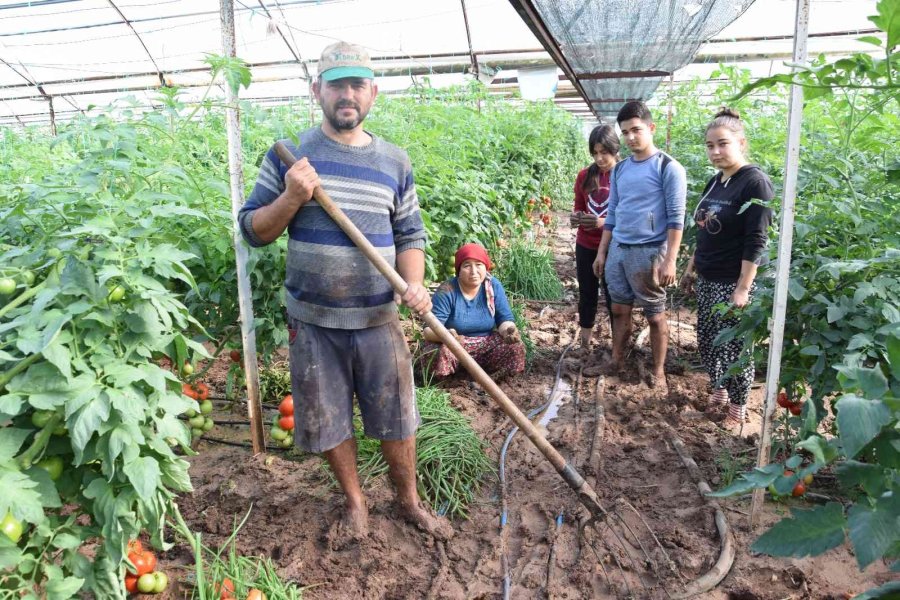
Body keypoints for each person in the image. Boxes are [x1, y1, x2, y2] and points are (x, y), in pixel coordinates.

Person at [238, 41, 452, 543]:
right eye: (337, 84)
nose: (347, 95)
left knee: (396, 417)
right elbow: (253, 229)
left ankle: (408, 502)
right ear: (318, 91)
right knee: (329, 418)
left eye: (357, 84)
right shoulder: (292, 156)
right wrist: (292, 196)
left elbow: (410, 235)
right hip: (313, 321)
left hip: (379, 317)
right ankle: (356, 504)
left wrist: (414, 283)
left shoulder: (394, 162)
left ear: (373, 92)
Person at [679, 108, 775, 425]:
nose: (716, 151)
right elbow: (704, 228)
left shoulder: (754, 183)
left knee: (735, 349)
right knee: (708, 344)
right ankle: (719, 393)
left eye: (723, 144)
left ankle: (737, 409)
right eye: (710, 145)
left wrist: (743, 289)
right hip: (708, 276)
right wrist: (691, 267)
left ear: (741, 142)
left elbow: (756, 241)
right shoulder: (716, 181)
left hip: (732, 281)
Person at [592, 101, 687, 391]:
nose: (631, 137)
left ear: (651, 128)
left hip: (649, 252)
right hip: (620, 249)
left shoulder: (668, 168)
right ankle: (616, 360)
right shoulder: (620, 170)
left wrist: (670, 259)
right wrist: (602, 252)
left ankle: (658, 371)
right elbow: (614, 213)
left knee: (655, 314)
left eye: (636, 130)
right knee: (618, 309)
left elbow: (676, 218)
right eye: (625, 132)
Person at [419, 243, 525, 379]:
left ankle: (497, 377)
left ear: (485, 267)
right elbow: (428, 331)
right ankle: (448, 383)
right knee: (437, 352)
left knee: (515, 347)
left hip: (486, 346)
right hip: (455, 346)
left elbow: (504, 319)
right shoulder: (447, 290)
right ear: (458, 270)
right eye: (467, 266)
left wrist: (509, 332)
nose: (474, 271)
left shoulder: (493, 286)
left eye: (479, 265)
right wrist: (446, 336)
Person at [570, 124, 620, 352]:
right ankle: (585, 343)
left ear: (615, 149)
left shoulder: (623, 174)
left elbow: (628, 213)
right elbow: (579, 205)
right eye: (595, 153)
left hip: (614, 246)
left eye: (605, 153)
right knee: (587, 293)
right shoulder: (585, 176)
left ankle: (616, 346)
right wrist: (578, 216)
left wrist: (603, 222)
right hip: (586, 244)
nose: (600, 158)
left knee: (614, 296)